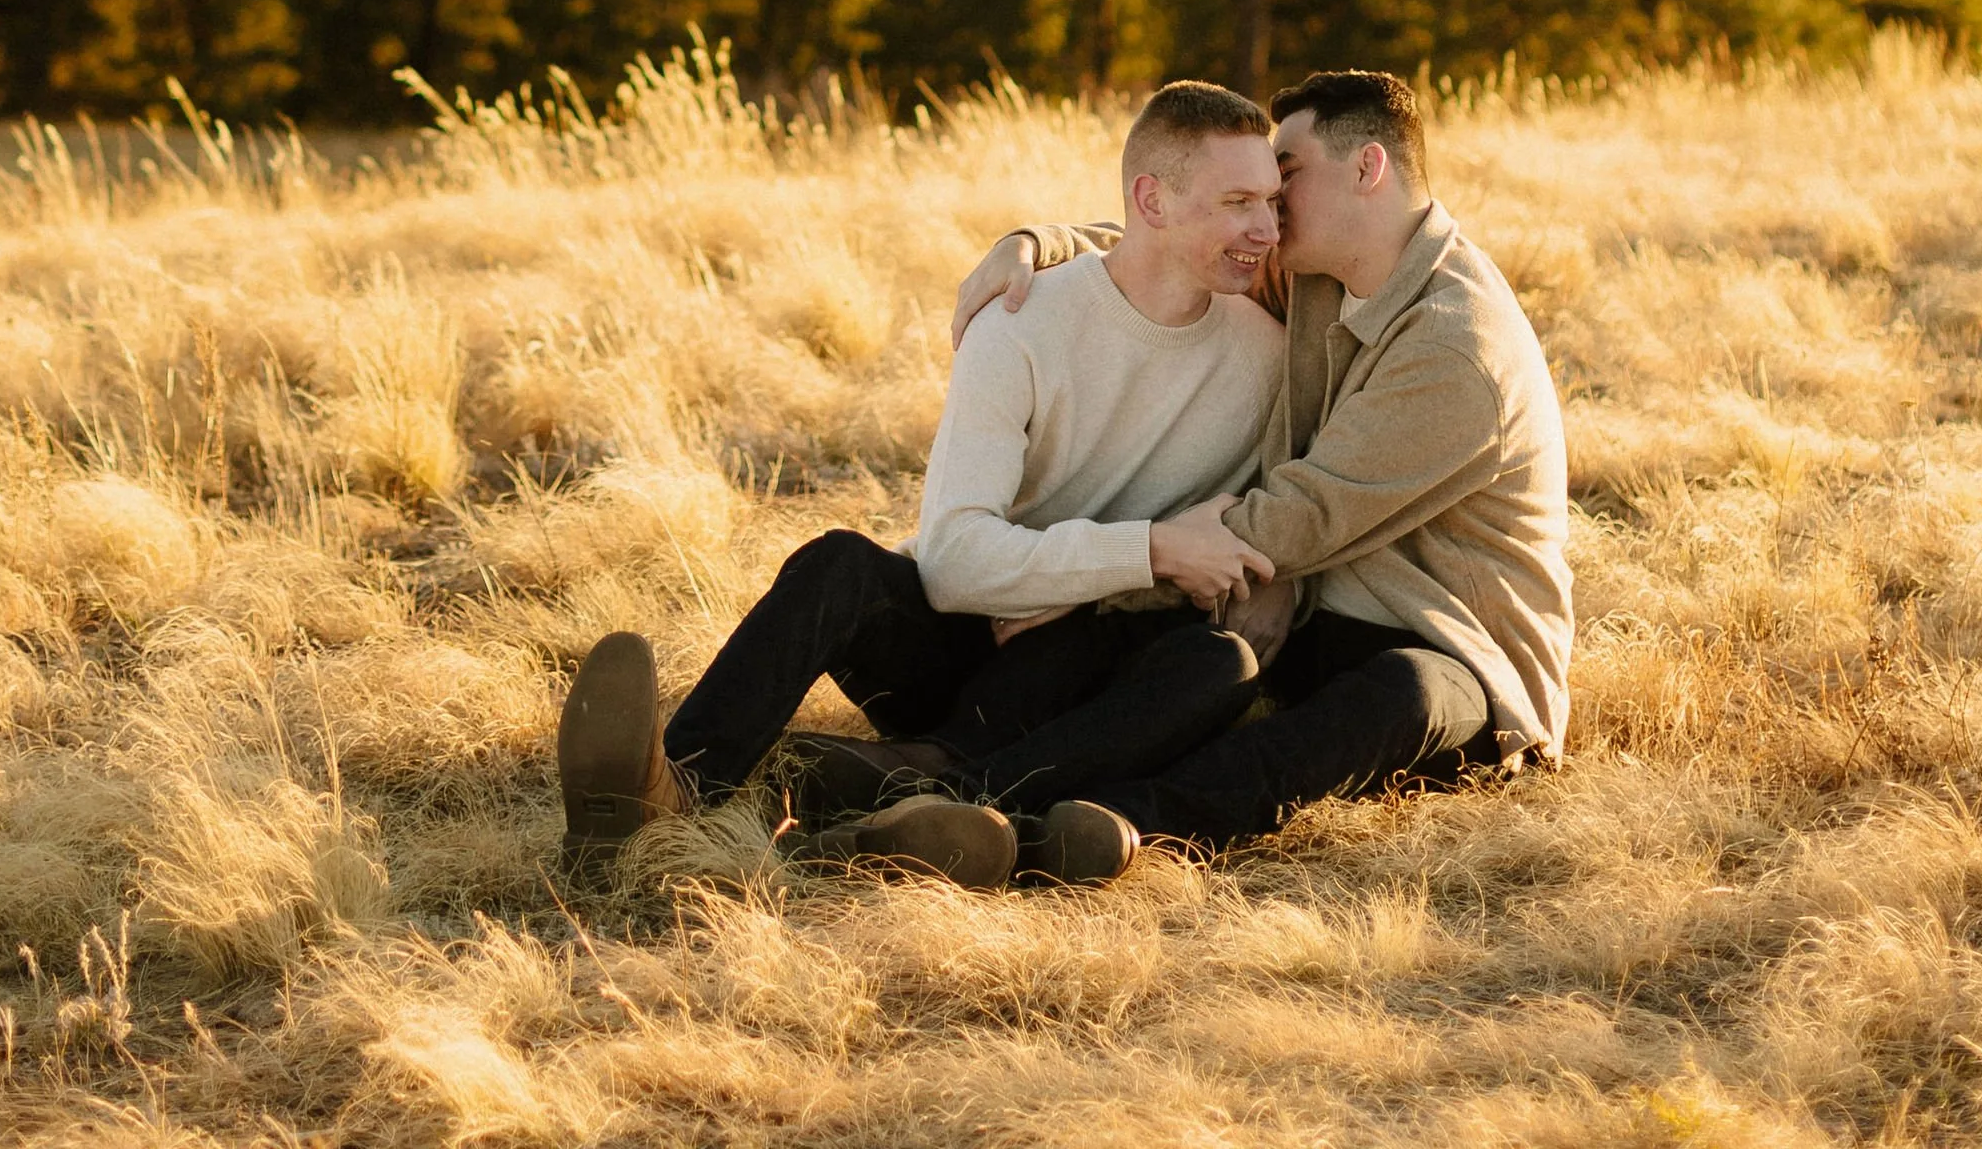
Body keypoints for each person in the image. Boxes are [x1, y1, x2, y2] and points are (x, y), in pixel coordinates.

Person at [555, 79, 1290, 887]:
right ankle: (673, 786)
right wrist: (1149, 550)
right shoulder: (1022, 321)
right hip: (962, 643)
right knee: (837, 564)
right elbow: (952, 563)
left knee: (1217, 667)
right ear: (1150, 199)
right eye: (1238, 201)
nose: (1265, 227)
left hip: (1082, 676)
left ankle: (923, 802)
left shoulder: (1267, 358)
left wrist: (1133, 585)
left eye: (1272, 201)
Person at [929, 67, 1572, 862]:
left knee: (1393, 694)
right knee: (1175, 651)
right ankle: (948, 797)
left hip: (1458, 655)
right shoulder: (1318, 271)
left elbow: (1301, 518)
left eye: (1286, 177)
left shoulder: (1459, 350)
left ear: (1367, 169)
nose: (1266, 206)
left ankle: (1107, 828)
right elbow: (1168, 238)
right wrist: (1035, 244)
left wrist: (1116, 570)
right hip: (1314, 616)